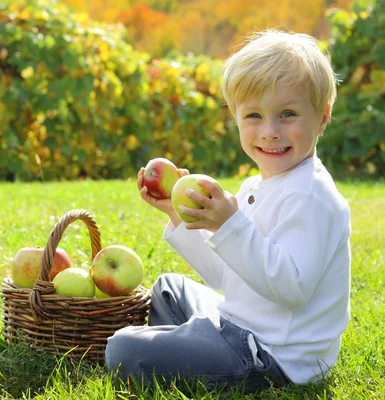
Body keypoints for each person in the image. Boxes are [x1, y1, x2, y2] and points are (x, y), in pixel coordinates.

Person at [105, 29, 351, 393]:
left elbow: (291, 289)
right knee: (169, 288)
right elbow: (229, 277)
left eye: (287, 114)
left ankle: (191, 355)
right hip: (241, 324)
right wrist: (180, 216)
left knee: (122, 349)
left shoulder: (312, 197)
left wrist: (230, 224)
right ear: (235, 117)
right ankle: (192, 349)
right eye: (253, 115)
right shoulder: (259, 186)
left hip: (272, 355)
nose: (269, 131)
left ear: (322, 118)